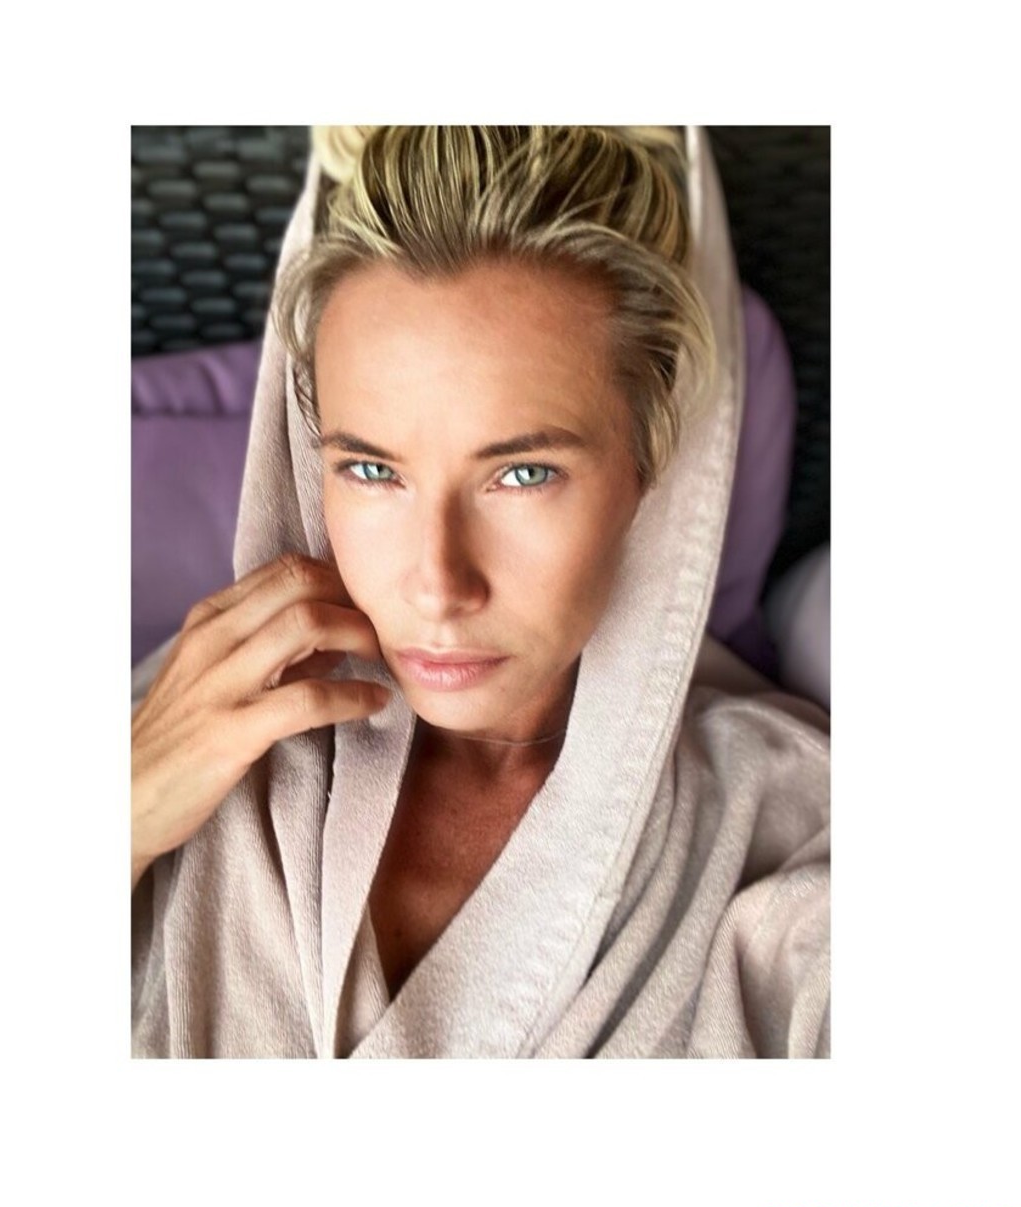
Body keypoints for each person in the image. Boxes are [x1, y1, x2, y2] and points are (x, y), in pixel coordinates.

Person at [131, 126, 830, 1058]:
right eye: (372, 469)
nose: (438, 584)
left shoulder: (788, 835)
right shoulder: (176, 728)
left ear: (648, 466)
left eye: (522, 474)